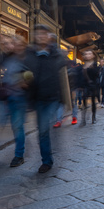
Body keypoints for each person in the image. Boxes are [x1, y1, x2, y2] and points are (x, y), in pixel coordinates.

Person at [24, 24, 67, 173]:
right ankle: (47, 159)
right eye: (38, 34)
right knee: (42, 130)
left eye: (44, 34)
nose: (41, 36)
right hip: (37, 97)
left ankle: (47, 161)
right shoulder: (29, 54)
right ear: (35, 37)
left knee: (43, 128)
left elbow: (65, 76)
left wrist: (65, 98)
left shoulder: (56, 54)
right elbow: (25, 72)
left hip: (53, 97)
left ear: (49, 37)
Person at [0, 35, 31, 167]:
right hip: (6, 97)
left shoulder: (27, 59)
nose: (14, 46)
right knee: (3, 123)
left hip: (19, 98)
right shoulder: (8, 58)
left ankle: (19, 155)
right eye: (12, 43)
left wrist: (23, 82)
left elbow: (31, 77)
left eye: (17, 44)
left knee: (17, 126)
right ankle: (18, 149)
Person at [79, 49, 99, 125]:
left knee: (93, 102)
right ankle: (83, 119)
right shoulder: (82, 65)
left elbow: (96, 76)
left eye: (89, 54)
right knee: (84, 102)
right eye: (86, 54)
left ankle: (93, 117)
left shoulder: (95, 66)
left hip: (93, 86)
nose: (87, 55)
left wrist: (90, 69)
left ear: (93, 55)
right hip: (85, 86)